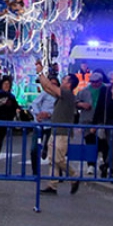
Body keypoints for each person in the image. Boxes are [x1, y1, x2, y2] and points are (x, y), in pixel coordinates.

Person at [34, 62, 81, 196]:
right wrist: (41, 77)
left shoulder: (67, 94)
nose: (62, 81)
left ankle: (74, 175)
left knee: (58, 159)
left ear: (69, 84)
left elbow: (49, 86)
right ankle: (52, 184)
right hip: (55, 130)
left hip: (62, 132)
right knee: (52, 158)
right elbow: (47, 88)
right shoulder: (63, 95)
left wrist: (40, 73)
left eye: (65, 80)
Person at [30, 76, 58, 163]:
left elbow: (59, 110)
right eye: (51, 84)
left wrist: (49, 114)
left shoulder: (59, 96)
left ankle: (45, 149)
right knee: (34, 148)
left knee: (49, 144)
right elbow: (35, 103)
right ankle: (34, 171)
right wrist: (38, 114)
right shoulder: (44, 93)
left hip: (51, 123)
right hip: (40, 123)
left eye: (55, 84)